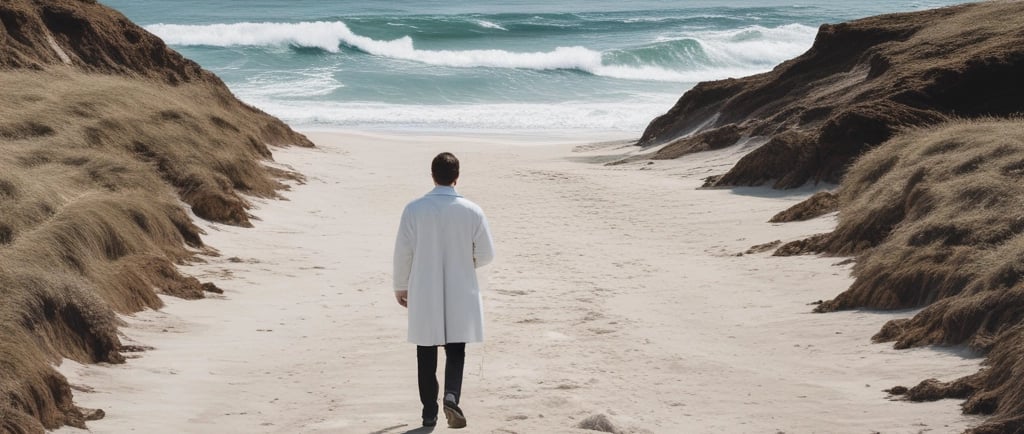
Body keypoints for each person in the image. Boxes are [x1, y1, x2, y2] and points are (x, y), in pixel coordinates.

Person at [393, 152, 495, 429]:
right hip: (461, 286)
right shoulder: (472, 210)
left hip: (424, 286)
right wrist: (465, 261)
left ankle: (429, 413)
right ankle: (451, 395)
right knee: (456, 346)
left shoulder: (414, 209)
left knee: (425, 349)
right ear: (457, 177)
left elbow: (404, 252)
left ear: (433, 175)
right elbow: (486, 254)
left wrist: (400, 285)